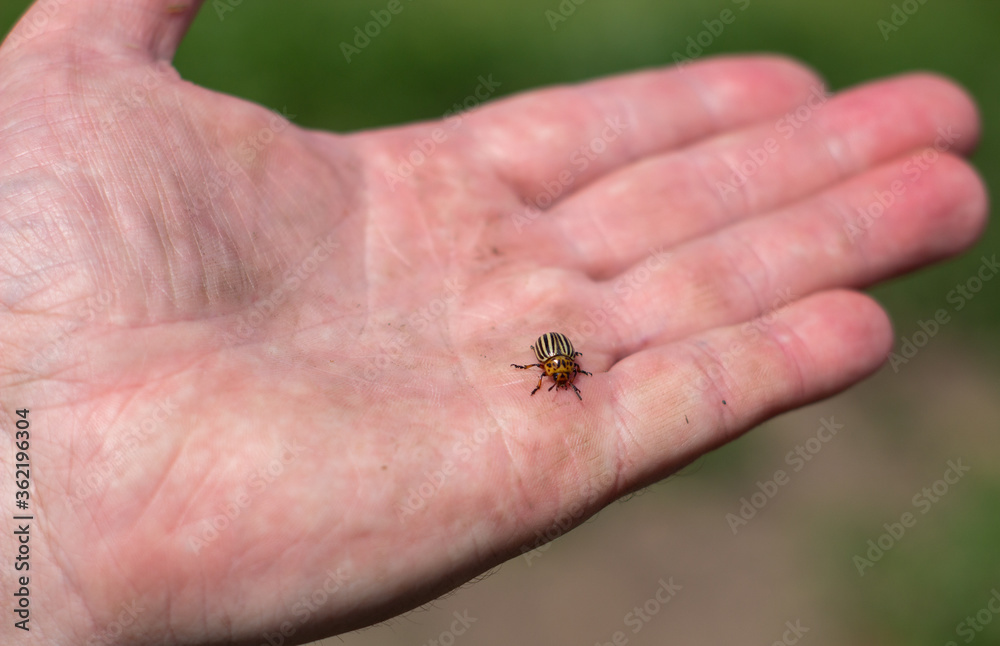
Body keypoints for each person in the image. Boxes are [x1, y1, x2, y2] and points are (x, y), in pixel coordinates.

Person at [0, 1, 987, 644]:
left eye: (557, 376)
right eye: (556, 375)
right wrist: (48, 536)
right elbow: (556, 358)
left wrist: (48, 533)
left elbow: (556, 358)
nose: (558, 376)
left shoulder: (555, 363)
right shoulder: (556, 363)